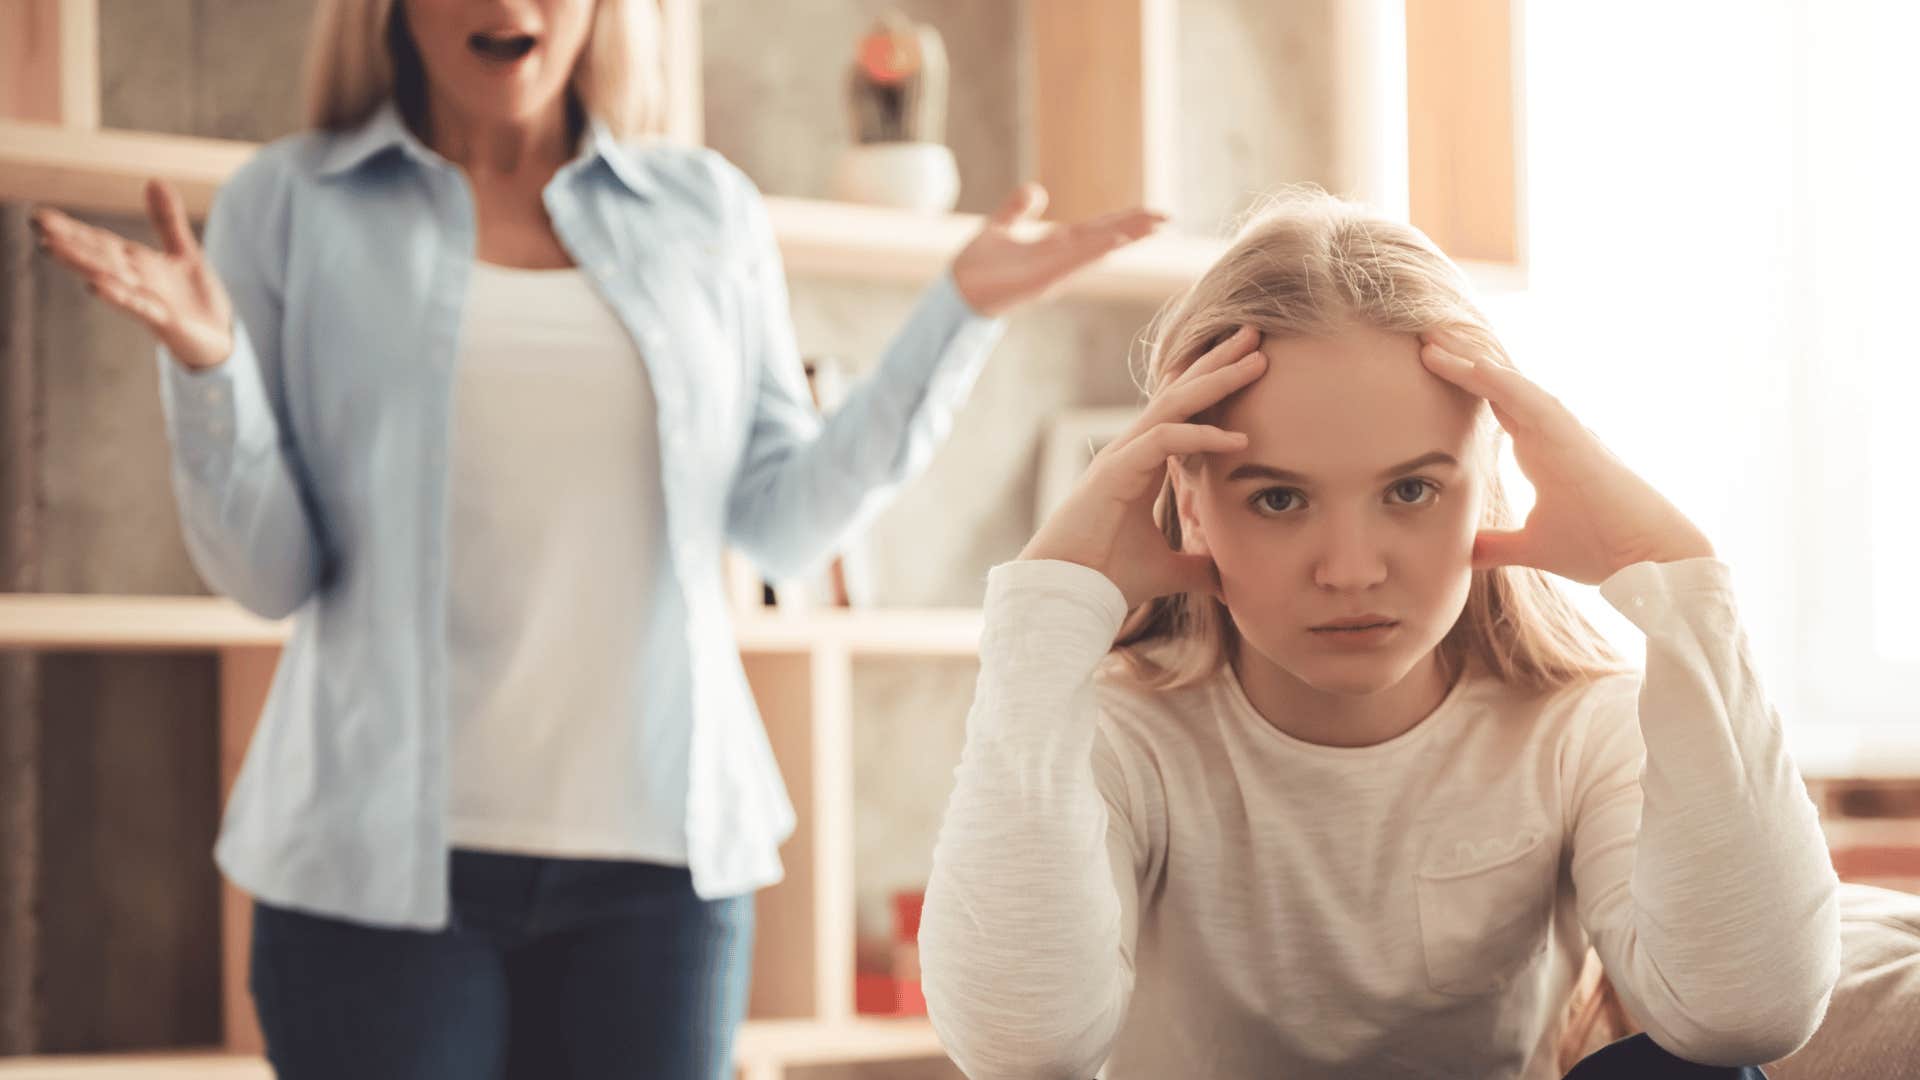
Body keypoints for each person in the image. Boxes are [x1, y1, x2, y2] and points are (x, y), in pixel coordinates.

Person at [28, 1, 1166, 1077]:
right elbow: (265, 575)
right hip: (371, 876)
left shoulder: (703, 209)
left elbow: (783, 520)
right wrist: (210, 368)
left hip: (658, 880)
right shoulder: (293, 203)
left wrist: (954, 317)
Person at [919, 188, 1841, 1079]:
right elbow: (1020, 1051)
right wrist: (1045, 615)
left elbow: (1748, 1010)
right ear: (1191, 505)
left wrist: (1675, 576)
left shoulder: (1578, 729)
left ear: (1486, 479)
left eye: (1411, 490)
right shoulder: (1123, 735)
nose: (1351, 569)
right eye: (1279, 498)